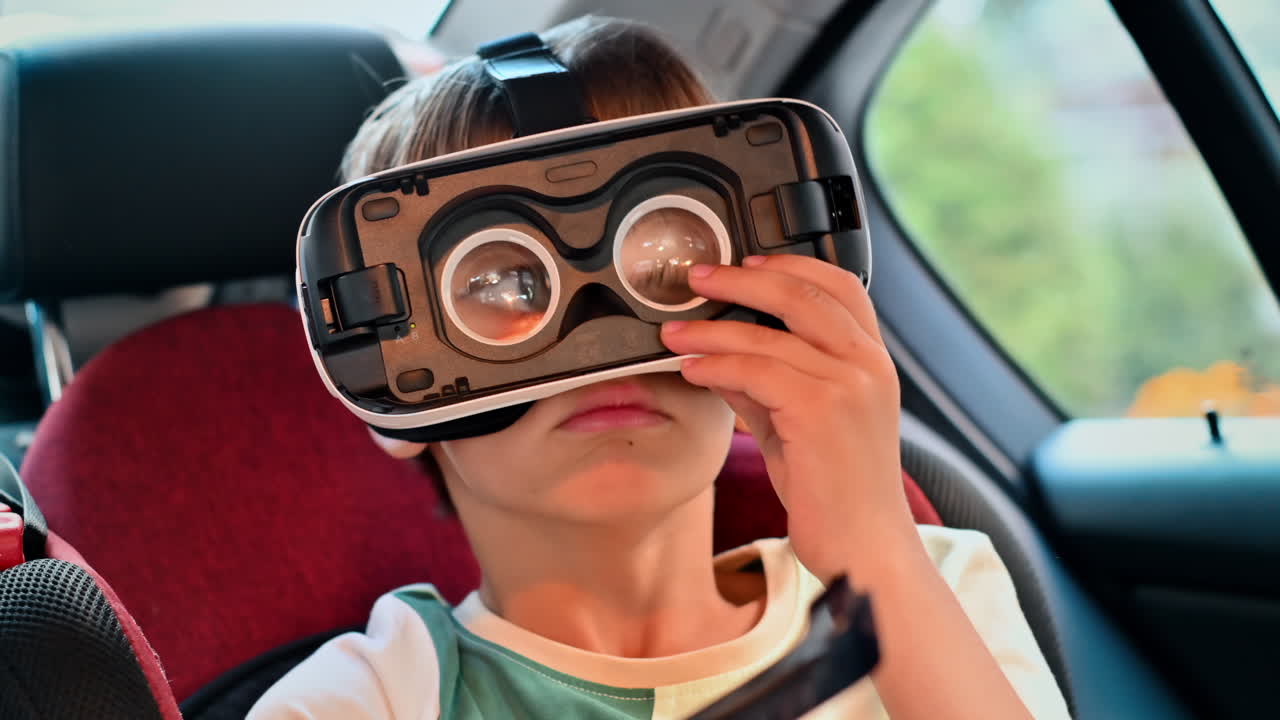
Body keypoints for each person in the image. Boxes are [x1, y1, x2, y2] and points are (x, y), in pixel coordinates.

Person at [249, 15, 1070, 720]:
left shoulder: (937, 593)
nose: (602, 338)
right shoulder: (365, 702)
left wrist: (876, 551)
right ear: (393, 390)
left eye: (671, 262)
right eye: (498, 282)